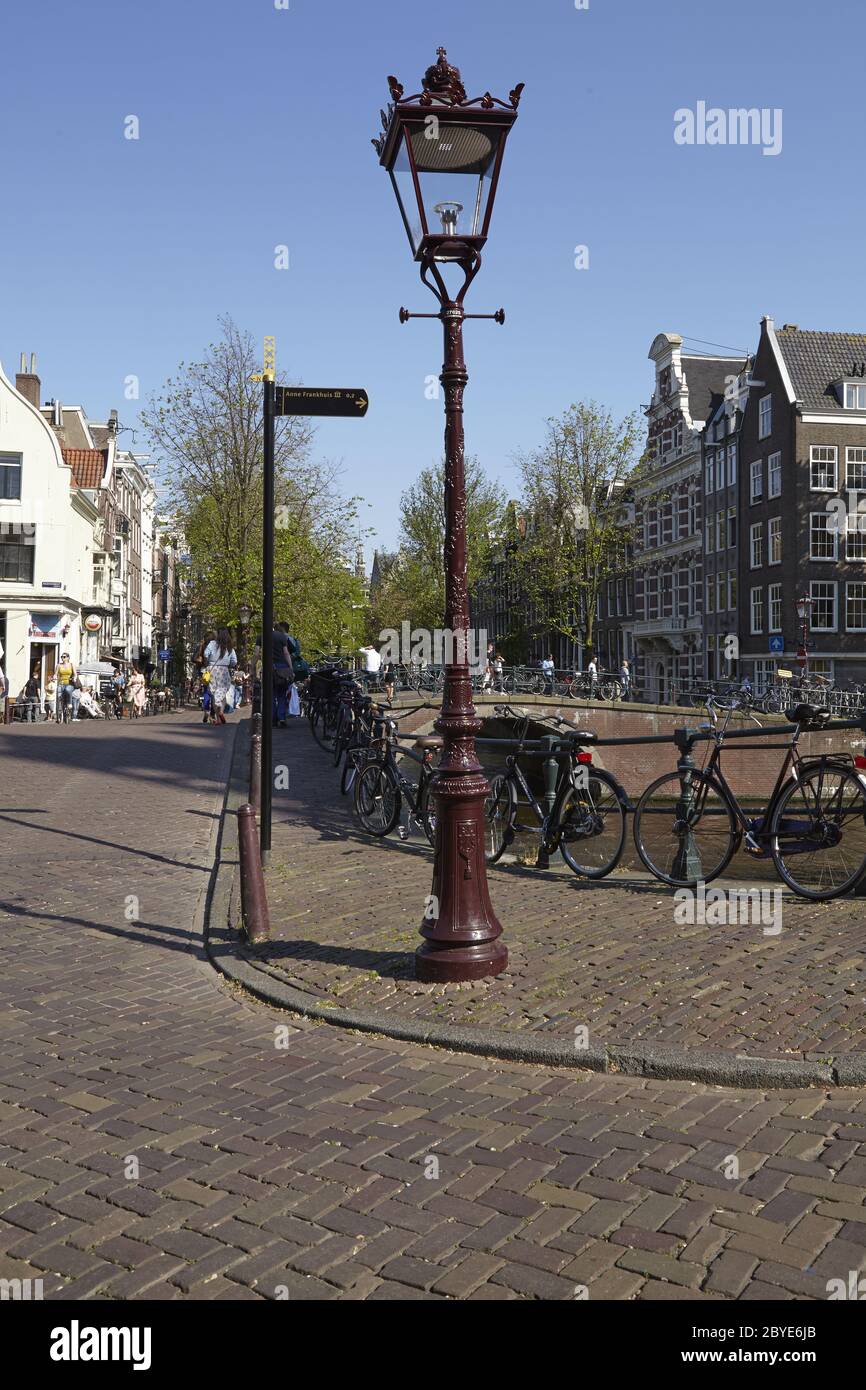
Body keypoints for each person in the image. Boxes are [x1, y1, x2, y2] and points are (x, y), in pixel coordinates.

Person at [203, 628, 238, 726]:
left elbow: (205, 654)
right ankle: (221, 712)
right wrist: (227, 663)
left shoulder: (212, 644)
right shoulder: (230, 646)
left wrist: (208, 663)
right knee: (222, 692)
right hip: (224, 670)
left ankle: (218, 718)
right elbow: (234, 661)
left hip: (212, 670)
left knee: (214, 694)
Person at [56, 652, 80, 721]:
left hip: (69, 683)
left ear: (68, 658)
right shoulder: (58, 665)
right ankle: (60, 713)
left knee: (68, 690)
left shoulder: (71, 665)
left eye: (64, 657)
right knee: (59, 697)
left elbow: (75, 674)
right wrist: (54, 677)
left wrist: (75, 678)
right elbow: (55, 674)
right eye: (62, 657)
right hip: (61, 683)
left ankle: (69, 703)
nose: (63, 658)